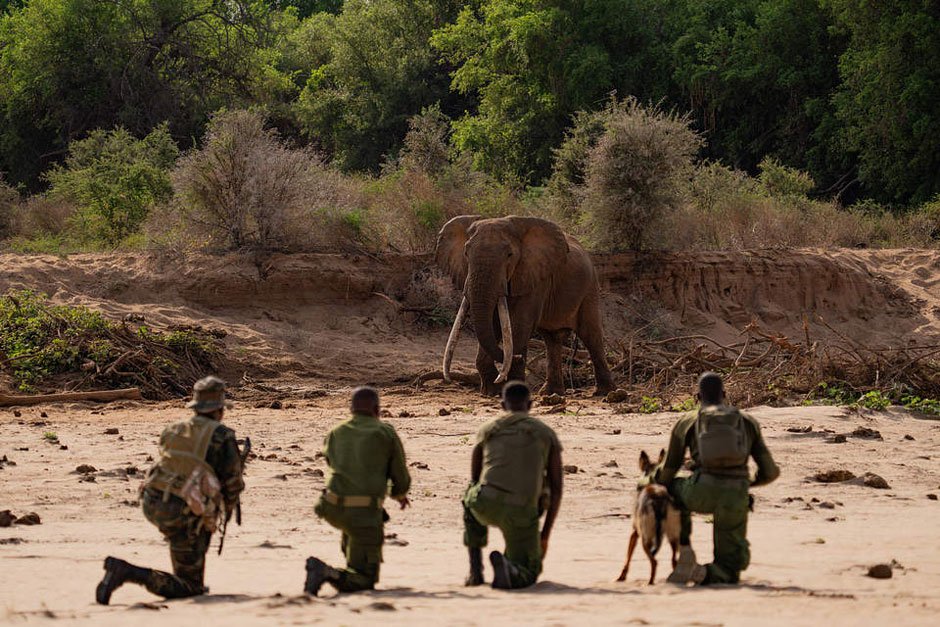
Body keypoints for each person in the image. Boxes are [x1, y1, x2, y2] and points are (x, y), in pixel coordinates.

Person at [96, 376, 245, 604]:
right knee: (191, 587)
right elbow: (232, 483)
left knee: (183, 546)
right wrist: (224, 509)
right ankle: (127, 572)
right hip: (181, 508)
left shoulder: (174, 429)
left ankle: (181, 574)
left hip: (152, 499)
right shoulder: (222, 435)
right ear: (219, 409)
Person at [652, 372, 780, 585]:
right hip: (735, 496)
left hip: (699, 493)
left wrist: (658, 484)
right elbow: (770, 472)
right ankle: (702, 573)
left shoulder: (687, 421)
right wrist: (746, 484)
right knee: (730, 570)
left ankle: (685, 548)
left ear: (697, 397)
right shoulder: (747, 422)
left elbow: (669, 469)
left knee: (672, 488)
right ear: (724, 395)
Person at [304, 386, 411, 595]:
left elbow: (332, 462)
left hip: (330, 507)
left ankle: (351, 559)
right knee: (365, 579)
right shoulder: (384, 432)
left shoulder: (336, 431)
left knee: (353, 529)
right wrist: (399, 494)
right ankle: (325, 572)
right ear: (377, 409)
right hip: (362, 512)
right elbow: (400, 476)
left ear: (351, 409)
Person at [462, 380, 563, 589]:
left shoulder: (487, 429)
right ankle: (512, 569)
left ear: (502, 405)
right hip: (521, 511)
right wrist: (544, 535)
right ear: (530, 405)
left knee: (469, 497)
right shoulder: (545, 433)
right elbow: (557, 489)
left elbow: (474, 479)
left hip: (485, 505)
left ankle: (475, 571)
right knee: (530, 570)